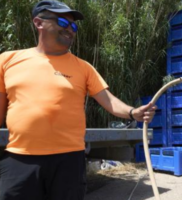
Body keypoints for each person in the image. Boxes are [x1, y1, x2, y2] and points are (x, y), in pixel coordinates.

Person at [0, 1, 156, 199]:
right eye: (63, 22)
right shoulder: (8, 60)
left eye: (73, 26)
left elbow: (108, 100)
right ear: (38, 23)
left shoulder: (84, 67)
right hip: (19, 160)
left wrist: (133, 112)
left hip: (69, 161)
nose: (70, 30)